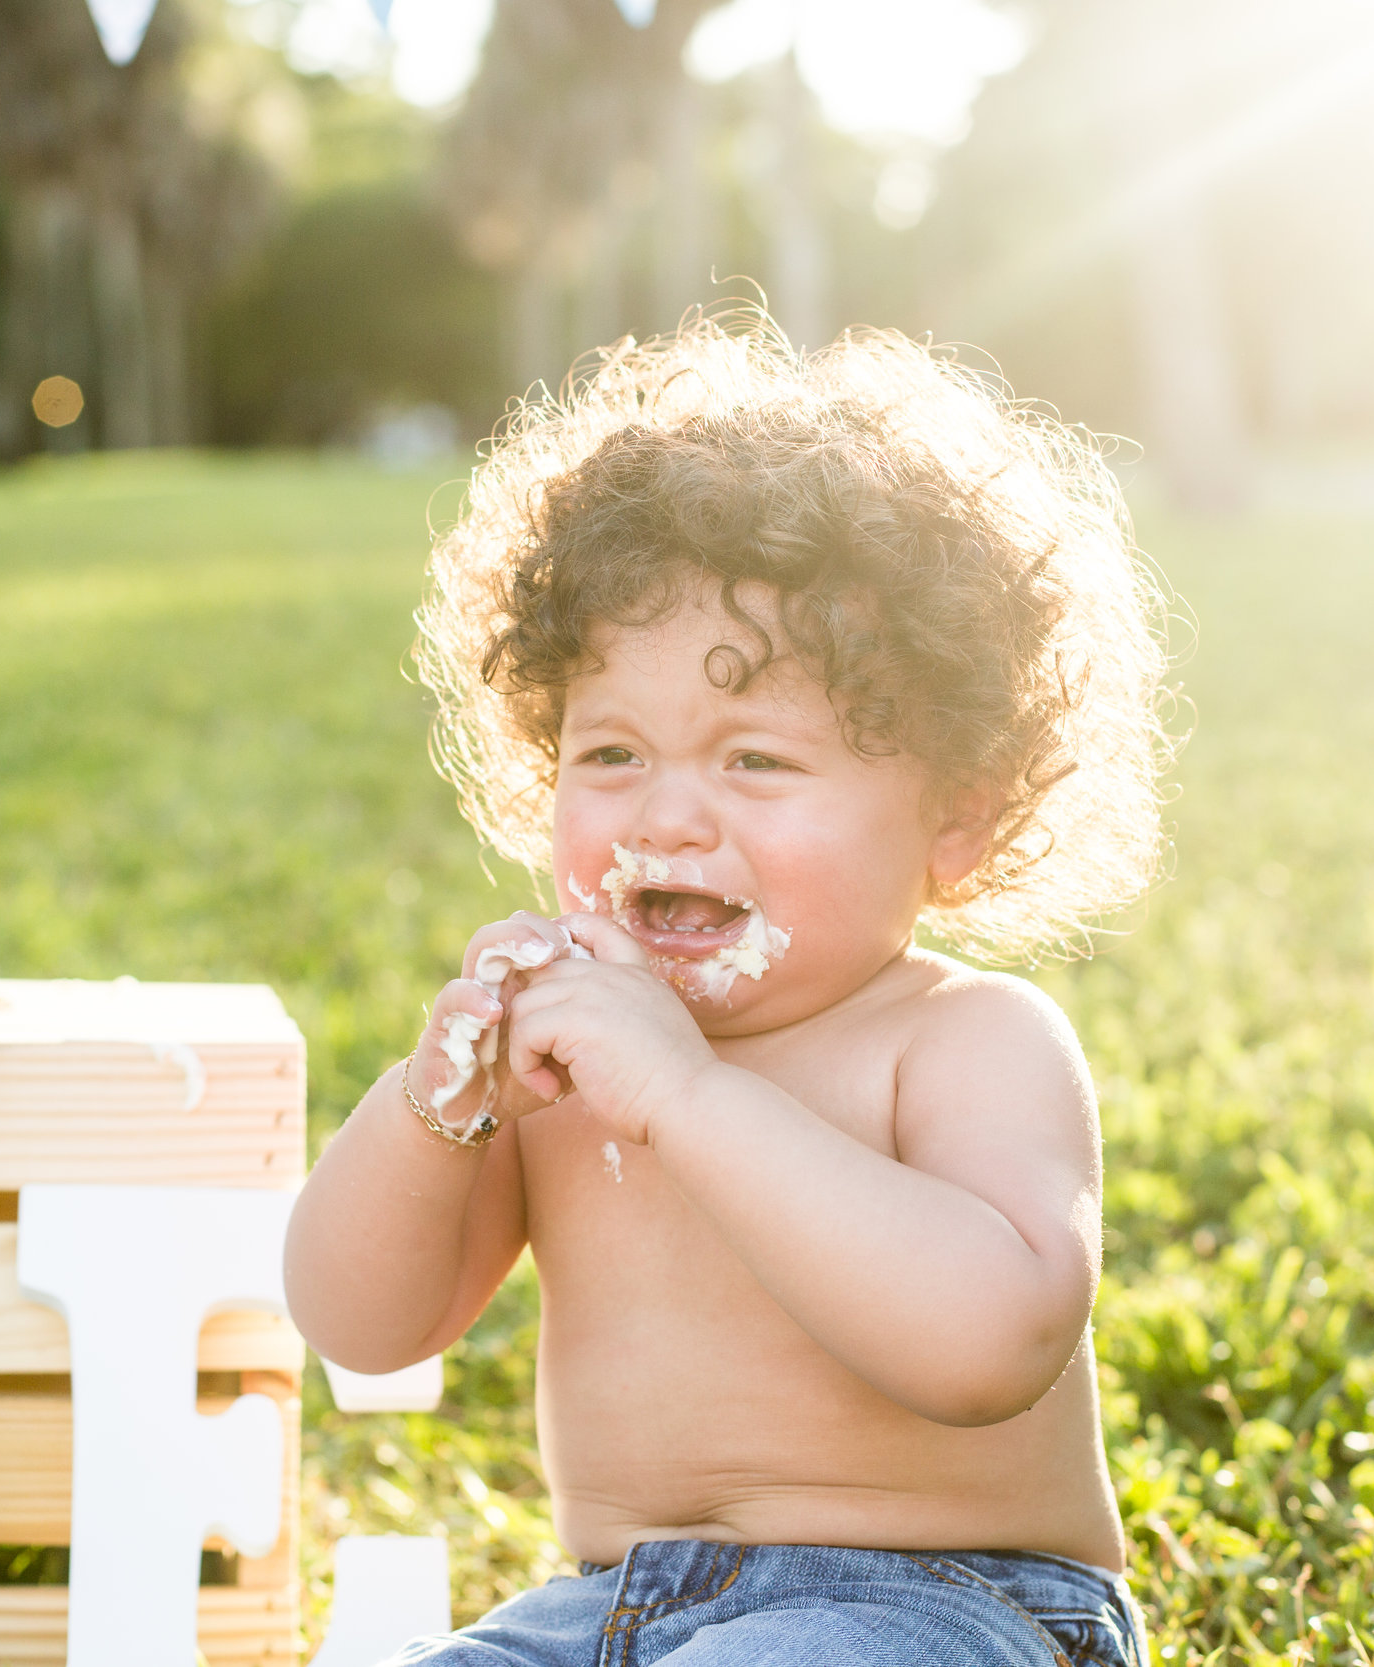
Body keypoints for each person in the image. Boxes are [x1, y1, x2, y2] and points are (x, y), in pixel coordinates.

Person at [283, 314, 1173, 1667]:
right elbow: (360, 1323)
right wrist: (433, 1104)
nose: (671, 813)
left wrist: (688, 1097)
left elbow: (992, 1342)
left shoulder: (960, 1043)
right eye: (614, 753)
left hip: (947, 1609)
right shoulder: (563, 1067)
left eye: (755, 760)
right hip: (605, 1613)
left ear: (957, 823)